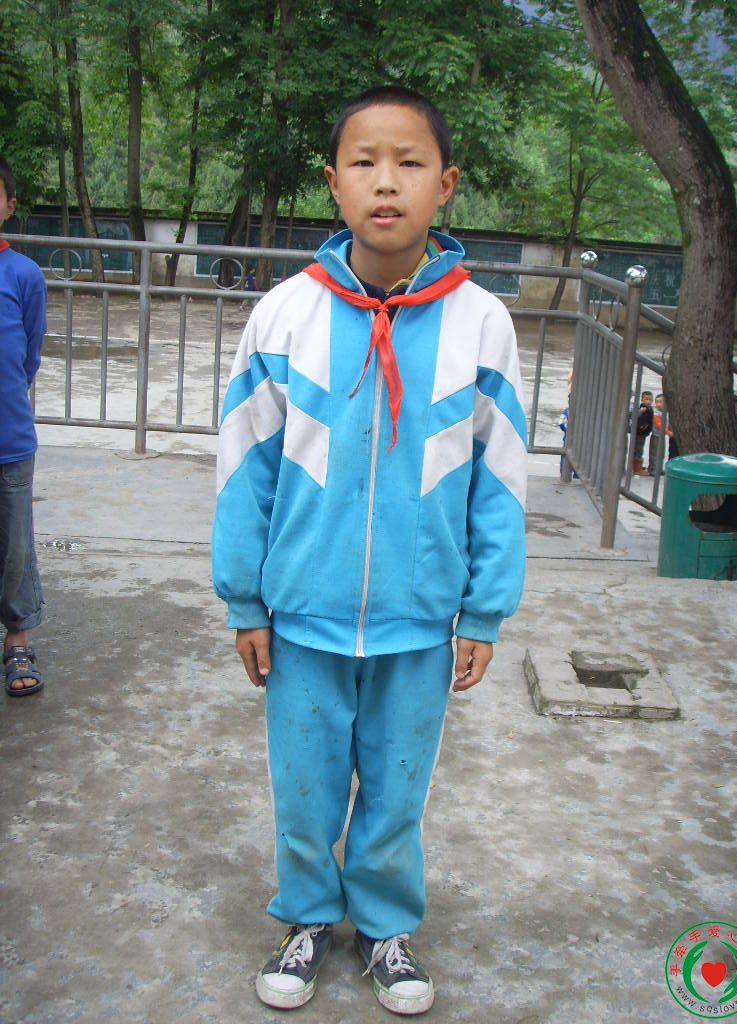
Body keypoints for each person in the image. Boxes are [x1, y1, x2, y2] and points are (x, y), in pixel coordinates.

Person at [212, 85, 526, 1015]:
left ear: (446, 185)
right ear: (333, 183)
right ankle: (308, 916)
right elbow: (243, 470)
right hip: (302, 617)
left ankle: (387, 927)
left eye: (409, 163)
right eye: (364, 163)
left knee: (396, 790)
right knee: (304, 786)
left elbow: (502, 480)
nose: (386, 182)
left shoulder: (483, 324)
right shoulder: (283, 316)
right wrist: (244, 599)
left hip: (419, 621)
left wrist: (484, 610)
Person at [0, 157, 47, 696]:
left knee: (14, 547)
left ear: (9, 206)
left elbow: (28, 356)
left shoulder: (23, 275)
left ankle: (17, 638)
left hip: (9, 439)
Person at [630, 390, 653, 476]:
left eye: (650, 399)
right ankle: (636, 469)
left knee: (640, 449)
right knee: (638, 450)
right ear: (642, 400)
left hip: (643, 433)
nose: (648, 401)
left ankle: (637, 466)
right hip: (639, 433)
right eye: (646, 399)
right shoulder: (642, 409)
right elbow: (635, 417)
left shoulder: (650, 409)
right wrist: (640, 411)